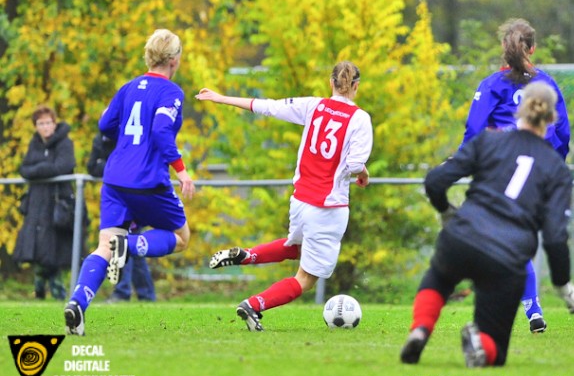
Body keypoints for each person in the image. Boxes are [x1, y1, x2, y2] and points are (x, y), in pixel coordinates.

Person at [400, 82, 574, 367]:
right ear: (552, 118)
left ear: (519, 111)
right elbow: (555, 238)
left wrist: (447, 212)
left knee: (440, 277)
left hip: (462, 236)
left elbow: (435, 181)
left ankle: (421, 329)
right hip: (507, 258)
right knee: (494, 348)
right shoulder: (556, 169)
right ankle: (480, 343)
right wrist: (563, 287)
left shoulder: (488, 141)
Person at [195, 60, 373, 331]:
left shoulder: (314, 106)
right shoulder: (360, 119)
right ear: (356, 86)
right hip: (328, 207)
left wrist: (221, 98)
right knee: (305, 278)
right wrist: (363, 174)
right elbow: (353, 164)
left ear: (331, 83)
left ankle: (248, 255)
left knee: (298, 248)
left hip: (300, 201)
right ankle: (253, 304)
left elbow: (268, 105)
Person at [64, 29, 194, 335]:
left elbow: (104, 124)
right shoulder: (171, 92)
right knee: (181, 237)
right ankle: (131, 245)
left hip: (115, 178)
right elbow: (162, 130)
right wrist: (182, 171)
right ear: (174, 60)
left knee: (104, 246)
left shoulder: (128, 88)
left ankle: (77, 304)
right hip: (148, 180)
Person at [459, 18, 572, 333]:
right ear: (532, 48)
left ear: (504, 48)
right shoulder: (547, 83)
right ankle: (532, 308)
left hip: (501, 169)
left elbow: (474, 129)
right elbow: (562, 130)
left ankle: (516, 304)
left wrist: (465, 160)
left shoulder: (492, 84)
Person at [14, 106, 77, 300]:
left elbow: (64, 166)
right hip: (37, 204)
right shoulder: (35, 144)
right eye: (41, 123)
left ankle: (58, 294)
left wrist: (38, 169)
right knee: (40, 250)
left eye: (48, 122)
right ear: (36, 126)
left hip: (58, 205)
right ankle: (39, 290)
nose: (45, 127)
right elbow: (24, 169)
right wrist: (44, 168)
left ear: (54, 123)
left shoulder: (65, 143)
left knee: (55, 251)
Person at [87, 132, 156, 302]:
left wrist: (111, 167)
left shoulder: (129, 135)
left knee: (123, 244)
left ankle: (122, 292)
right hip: (115, 198)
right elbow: (92, 167)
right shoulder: (101, 138)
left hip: (131, 195)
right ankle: (146, 295)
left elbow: (130, 166)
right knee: (133, 248)